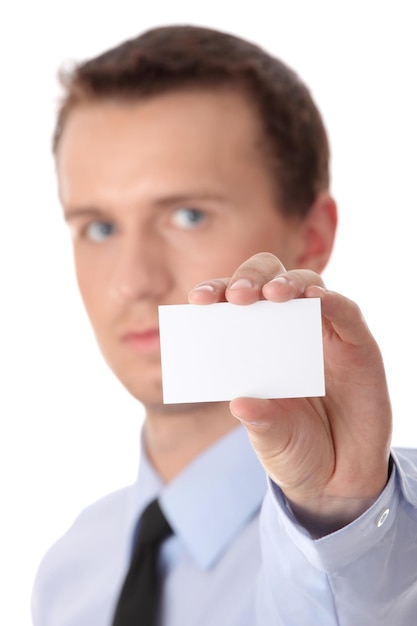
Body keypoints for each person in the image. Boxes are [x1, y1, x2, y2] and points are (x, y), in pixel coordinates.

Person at [31, 24, 417, 626]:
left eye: (188, 215)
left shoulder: (390, 546)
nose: (134, 280)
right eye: (99, 228)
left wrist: (344, 520)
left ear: (312, 235)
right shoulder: (70, 571)